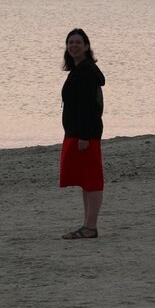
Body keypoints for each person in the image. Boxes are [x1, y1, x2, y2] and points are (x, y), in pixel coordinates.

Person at [58, 27, 105, 239]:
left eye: (78, 42)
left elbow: (89, 107)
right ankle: (88, 225)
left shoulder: (86, 72)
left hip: (84, 134)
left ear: (86, 46)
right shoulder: (78, 70)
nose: (74, 46)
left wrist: (85, 135)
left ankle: (90, 227)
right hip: (75, 133)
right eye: (70, 43)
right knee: (85, 179)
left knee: (91, 179)